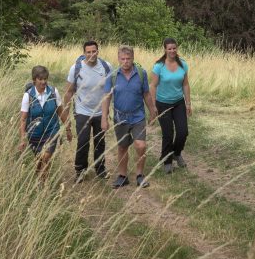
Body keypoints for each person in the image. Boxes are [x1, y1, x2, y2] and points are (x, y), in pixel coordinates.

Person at [101, 45, 156, 189]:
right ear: (118, 59)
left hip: (138, 116)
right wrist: (104, 118)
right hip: (120, 118)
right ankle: (122, 176)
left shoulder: (141, 73)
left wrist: (152, 111)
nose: (125, 61)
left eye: (128, 58)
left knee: (141, 145)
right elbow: (107, 97)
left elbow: (146, 94)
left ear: (133, 58)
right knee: (122, 147)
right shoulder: (112, 76)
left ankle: (139, 175)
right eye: (122, 59)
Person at [61, 40, 111, 181]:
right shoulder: (76, 68)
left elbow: (109, 92)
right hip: (82, 111)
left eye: (94, 51)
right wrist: (66, 112)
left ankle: (100, 169)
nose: (91, 54)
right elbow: (69, 91)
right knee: (83, 141)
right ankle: (80, 171)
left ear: (98, 51)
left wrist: (106, 113)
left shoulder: (106, 67)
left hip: (100, 111)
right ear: (84, 53)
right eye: (88, 52)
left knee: (100, 141)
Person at [150, 37, 192, 174]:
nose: (172, 50)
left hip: (178, 102)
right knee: (168, 134)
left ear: (177, 48)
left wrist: (188, 103)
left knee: (183, 132)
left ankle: (176, 153)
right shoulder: (158, 66)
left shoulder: (183, 64)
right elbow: (153, 86)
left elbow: (185, 84)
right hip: (162, 103)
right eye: (169, 48)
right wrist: (153, 106)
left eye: (174, 48)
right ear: (165, 49)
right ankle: (167, 162)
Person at [19, 65, 68, 182]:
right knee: (39, 159)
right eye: (40, 79)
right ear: (34, 80)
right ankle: (39, 179)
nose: (43, 82)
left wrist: (68, 128)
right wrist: (22, 138)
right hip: (34, 134)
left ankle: (43, 186)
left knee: (46, 156)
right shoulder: (28, 96)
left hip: (52, 130)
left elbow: (60, 111)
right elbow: (23, 119)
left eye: (45, 79)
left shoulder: (53, 92)